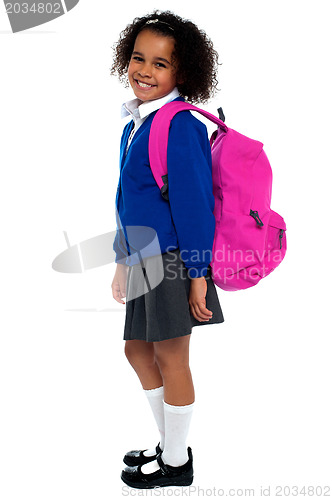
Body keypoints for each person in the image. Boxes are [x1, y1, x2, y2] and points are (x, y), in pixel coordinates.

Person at [111, 10, 224, 489]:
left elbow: (197, 207)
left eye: (160, 64)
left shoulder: (179, 125)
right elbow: (127, 199)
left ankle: (177, 465)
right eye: (139, 58)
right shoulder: (137, 122)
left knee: (172, 357)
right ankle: (171, 446)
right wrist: (121, 261)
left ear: (183, 73)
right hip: (142, 257)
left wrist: (199, 273)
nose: (145, 70)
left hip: (175, 259)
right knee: (137, 350)